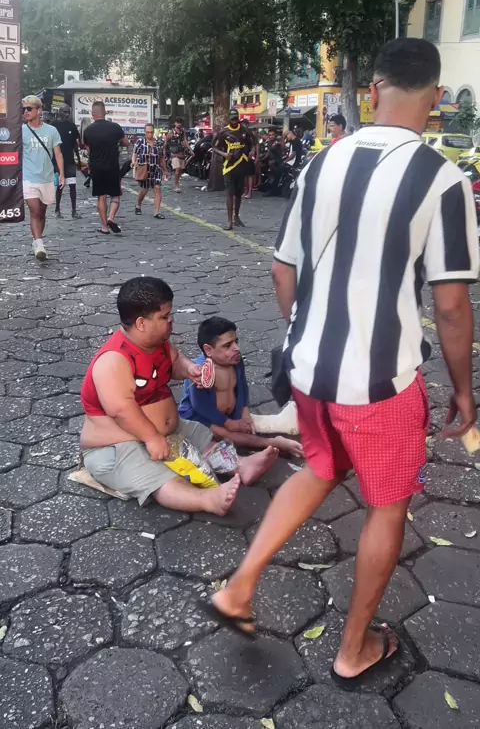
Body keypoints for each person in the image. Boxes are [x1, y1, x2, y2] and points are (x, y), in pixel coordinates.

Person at [210, 38, 479, 685]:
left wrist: (303, 334)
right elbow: (449, 307)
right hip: (381, 384)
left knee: (321, 467)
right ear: (435, 97)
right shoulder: (442, 178)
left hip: (309, 371)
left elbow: (282, 270)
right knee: (387, 507)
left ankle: (239, 588)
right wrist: (464, 390)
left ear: (373, 89)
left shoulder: (321, 163)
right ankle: (354, 650)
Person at [79, 277, 280, 514]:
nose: (171, 320)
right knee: (156, 476)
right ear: (141, 323)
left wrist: (190, 370)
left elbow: (174, 361)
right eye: (164, 316)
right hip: (116, 447)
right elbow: (121, 409)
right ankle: (206, 499)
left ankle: (241, 465)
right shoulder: (113, 360)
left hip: (162, 431)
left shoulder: (157, 344)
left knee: (201, 439)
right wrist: (151, 437)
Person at [179, 317, 303, 458]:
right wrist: (228, 423)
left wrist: (244, 411)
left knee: (246, 427)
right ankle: (272, 443)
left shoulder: (235, 361)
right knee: (227, 436)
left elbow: (242, 387)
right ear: (208, 350)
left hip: (229, 415)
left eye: (236, 342)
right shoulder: (200, 371)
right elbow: (200, 406)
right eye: (227, 345)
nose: (236, 348)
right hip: (202, 418)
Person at [22, 96, 65, 261]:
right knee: (34, 211)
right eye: (24, 109)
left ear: (38, 110)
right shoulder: (21, 130)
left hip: (47, 177)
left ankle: (36, 240)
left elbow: (58, 154)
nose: (25, 112)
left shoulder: (51, 131)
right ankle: (39, 244)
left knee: (42, 212)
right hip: (28, 177)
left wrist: (62, 174)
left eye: (29, 108)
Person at [82, 101, 129, 235]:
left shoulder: (88, 130)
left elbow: (88, 151)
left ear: (92, 114)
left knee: (101, 197)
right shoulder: (115, 127)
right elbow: (126, 142)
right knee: (115, 196)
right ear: (105, 112)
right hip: (112, 166)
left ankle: (104, 227)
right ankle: (111, 217)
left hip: (96, 167)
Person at [214, 109, 252, 230]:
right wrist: (224, 154)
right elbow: (214, 147)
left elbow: (252, 144)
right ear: (229, 119)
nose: (234, 121)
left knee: (238, 194)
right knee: (230, 193)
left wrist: (250, 154)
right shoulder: (223, 132)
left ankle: (236, 217)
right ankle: (229, 221)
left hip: (241, 165)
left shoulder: (244, 130)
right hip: (229, 167)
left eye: (236, 119)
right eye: (232, 119)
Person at [51, 103, 81, 219]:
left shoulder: (71, 126)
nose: (67, 114)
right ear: (60, 112)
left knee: (72, 186)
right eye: (65, 112)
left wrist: (78, 159)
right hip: (57, 162)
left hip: (69, 161)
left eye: (69, 112)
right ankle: (57, 209)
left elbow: (75, 144)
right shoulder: (53, 125)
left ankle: (74, 211)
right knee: (60, 186)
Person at [132, 123, 168, 218]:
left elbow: (162, 157)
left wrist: (165, 170)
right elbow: (135, 154)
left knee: (157, 188)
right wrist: (133, 162)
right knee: (145, 189)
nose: (150, 134)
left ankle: (156, 212)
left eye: (151, 132)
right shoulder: (140, 141)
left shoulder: (159, 143)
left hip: (156, 168)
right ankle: (138, 204)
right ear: (144, 132)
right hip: (145, 168)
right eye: (147, 132)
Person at [165, 117, 189, 193]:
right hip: (173, 154)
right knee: (177, 169)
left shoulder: (182, 132)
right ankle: (175, 185)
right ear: (175, 123)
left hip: (181, 153)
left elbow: (185, 142)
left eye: (180, 122)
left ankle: (177, 182)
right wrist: (165, 153)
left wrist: (190, 151)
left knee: (180, 170)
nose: (179, 124)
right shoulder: (171, 132)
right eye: (178, 122)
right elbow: (166, 143)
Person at [244, 127, 259, 199]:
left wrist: (256, 158)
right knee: (246, 175)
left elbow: (255, 150)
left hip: (250, 158)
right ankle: (247, 190)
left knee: (249, 175)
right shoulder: (246, 139)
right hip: (245, 157)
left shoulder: (253, 141)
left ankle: (249, 191)